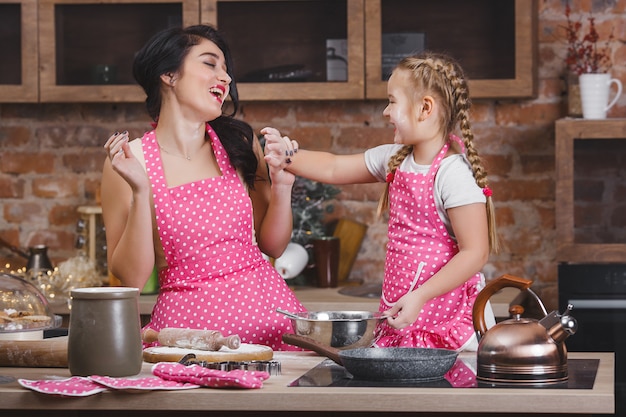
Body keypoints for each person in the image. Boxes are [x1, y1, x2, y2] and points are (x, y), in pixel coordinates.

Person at [263, 51, 499, 351]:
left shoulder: (453, 173)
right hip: (404, 310)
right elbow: (334, 167)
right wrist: (287, 156)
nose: (386, 112)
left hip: (445, 317)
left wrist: (421, 296)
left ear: (425, 108)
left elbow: (475, 253)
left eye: (392, 101)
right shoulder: (394, 159)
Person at [100, 24, 305, 351]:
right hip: (186, 343)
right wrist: (141, 191)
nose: (225, 79)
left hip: (274, 328)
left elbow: (273, 245)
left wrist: (282, 187)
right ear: (169, 74)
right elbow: (131, 280)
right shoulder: (129, 160)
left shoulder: (238, 143)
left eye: (226, 70)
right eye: (210, 64)